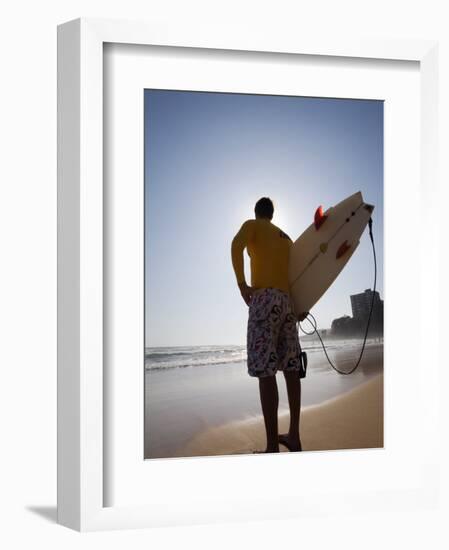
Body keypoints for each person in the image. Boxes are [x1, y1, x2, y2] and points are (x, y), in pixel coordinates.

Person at [231, 197, 305, 453]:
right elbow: (297, 274)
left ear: (256, 212)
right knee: (292, 369)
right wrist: (301, 306)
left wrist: (242, 284)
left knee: (266, 371)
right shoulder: (286, 237)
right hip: (287, 303)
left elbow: (235, 246)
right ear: (273, 214)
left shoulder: (252, 225)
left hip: (264, 300)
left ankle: (272, 446)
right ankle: (294, 435)